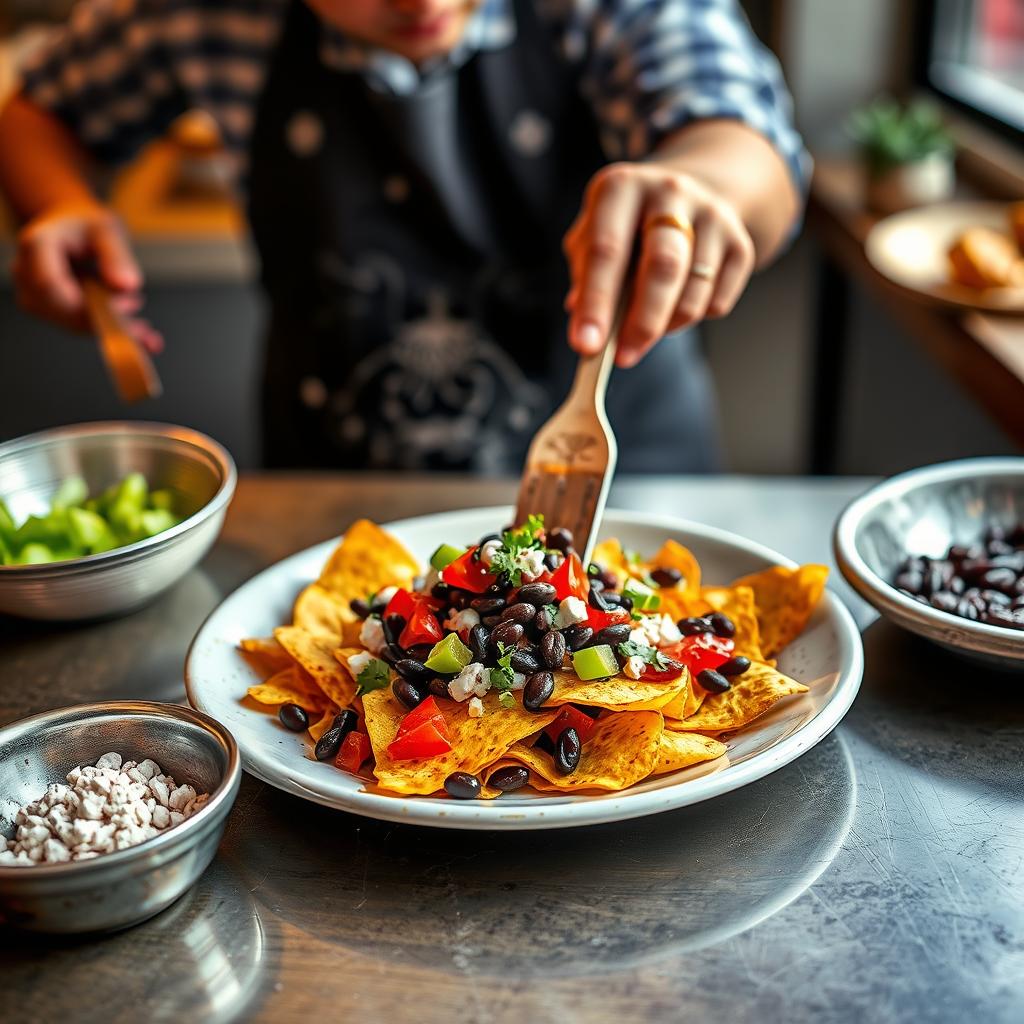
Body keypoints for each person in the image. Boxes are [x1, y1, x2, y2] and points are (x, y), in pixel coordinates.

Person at [0, 0, 807, 472]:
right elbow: (38, 110)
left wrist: (701, 188)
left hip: (629, 467)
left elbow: (748, 145)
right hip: (335, 485)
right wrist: (58, 204)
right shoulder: (196, 14)